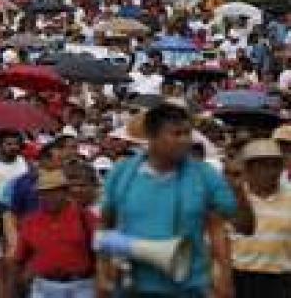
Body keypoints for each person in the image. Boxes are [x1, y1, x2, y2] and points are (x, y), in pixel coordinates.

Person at [96, 103, 254, 297]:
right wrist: (103, 273)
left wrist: (238, 190)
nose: (185, 140)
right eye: (176, 134)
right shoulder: (122, 173)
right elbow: (105, 226)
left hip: (189, 290)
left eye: (188, 133)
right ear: (152, 138)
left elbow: (244, 227)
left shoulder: (204, 175)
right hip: (131, 289)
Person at [14, 169, 97, 298]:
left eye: (53, 192)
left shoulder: (85, 217)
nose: (47, 198)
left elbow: (102, 254)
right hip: (44, 286)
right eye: (43, 193)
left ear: (65, 192)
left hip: (81, 286)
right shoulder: (31, 221)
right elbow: (20, 258)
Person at [230, 139, 291, 297]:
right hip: (238, 278)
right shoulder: (233, 196)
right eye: (263, 165)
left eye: (276, 165)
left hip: (280, 280)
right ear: (248, 169)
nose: (272, 171)